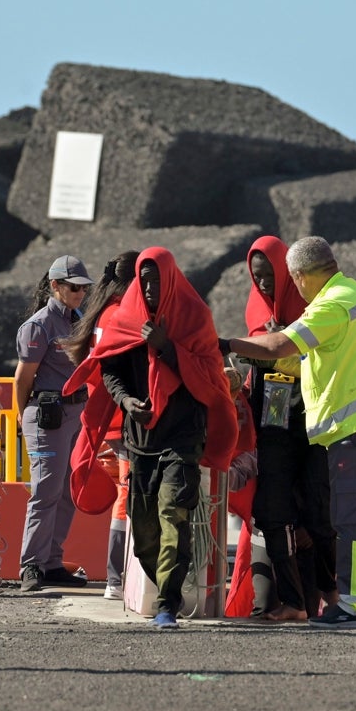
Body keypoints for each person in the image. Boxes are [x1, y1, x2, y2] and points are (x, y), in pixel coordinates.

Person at [224, 236, 356, 629]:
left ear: (297, 275)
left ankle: (355, 604)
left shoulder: (329, 304)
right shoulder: (354, 293)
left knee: (353, 515)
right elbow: (311, 362)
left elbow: (282, 344)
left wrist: (223, 344)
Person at [64, 247, 238, 629]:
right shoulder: (126, 318)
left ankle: (167, 604)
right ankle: (161, 584)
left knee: (174, 514)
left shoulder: (194, 317)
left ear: (171, 279)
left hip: (183, 437)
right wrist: (126, 400)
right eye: (144, 282)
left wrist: (168, 348)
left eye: (156, 280)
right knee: (144, 530)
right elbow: (109, 368)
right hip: (140, 439)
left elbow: (210, 378)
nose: (149, 288)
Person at [238, 235, 336, 622]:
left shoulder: (315, 310)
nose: (263, 284)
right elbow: (255, 368)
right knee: (272, 510)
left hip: (312, 422)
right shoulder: (254, 311)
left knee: (319, 510)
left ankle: (334, 595)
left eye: (269, 276)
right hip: (273, 424)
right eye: (256, 276)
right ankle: (293, 603)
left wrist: (282, 342)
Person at [60, 251, 139, 600]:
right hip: (123, 422)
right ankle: (117, 578)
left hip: (105, 423)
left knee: (124, 499)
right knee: (127, 499)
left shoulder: (102, 313)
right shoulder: (126, 315)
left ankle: (117, 579)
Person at [15, 254, 95, 593]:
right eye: (73, 287)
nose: (79, 293)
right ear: (55, 286)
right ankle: (31, 565)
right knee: (45, 491)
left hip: (75, 413)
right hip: (48, 415)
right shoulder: (40, 324)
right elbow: (23, 378)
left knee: (66, 492)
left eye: (83, 288)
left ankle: (50, 562)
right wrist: (22, 421)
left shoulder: (79, 319)